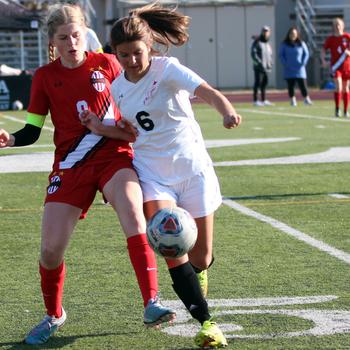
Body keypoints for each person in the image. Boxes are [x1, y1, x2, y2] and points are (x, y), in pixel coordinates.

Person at [0, 3, 175, 345]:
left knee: (133, 215)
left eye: (77, 34)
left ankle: (151, 302)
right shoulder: (44, 77)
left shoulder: (108, 64)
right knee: (50, 251)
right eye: (64, 37)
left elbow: (137, 92)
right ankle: (54, 315)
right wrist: (10, 139)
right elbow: (33, 129)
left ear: (86, 35)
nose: (72, 42)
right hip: (70, 166)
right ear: (53, 42)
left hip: (114, 157)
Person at [80, 3, 242, 348]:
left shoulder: (168, 69)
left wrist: (226, 110)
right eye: (123, 55)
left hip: (192, 167)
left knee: (201, 256)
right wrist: (99, 126)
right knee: (169, 242)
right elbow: (130, 132)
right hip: (153, 173)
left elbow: (207, 92)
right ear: (116, 54)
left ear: (149, 46)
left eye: (137, 53)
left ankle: (199, 275)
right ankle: (207, 323)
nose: (131, 61)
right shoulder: (117, 88)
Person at [321, 17, 350, 117]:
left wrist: (349, 53)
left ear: (343, 26)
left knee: (346, 88)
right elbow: (323, 50)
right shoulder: (331, 39)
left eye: (339, 24)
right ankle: (337, 109)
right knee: (338, 86)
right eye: (335, 25)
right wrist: (323, 60)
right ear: (333, 27)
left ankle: (346, 110)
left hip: (347, 67)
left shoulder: (347, 37)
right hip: (336, 67)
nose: (337, 27)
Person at [279, 27, 313, 107]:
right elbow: (281, 55)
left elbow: (306, 54)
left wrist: (303, 63)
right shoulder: (284, 44)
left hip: (300, 68)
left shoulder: (301, 43)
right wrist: (285, 63)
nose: (293, 35)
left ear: (297, 35)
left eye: (294, 34)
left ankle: (306, 99)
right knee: (291, 85)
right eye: (291, 34)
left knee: (303, 85)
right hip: (289, 69)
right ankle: (293, 100)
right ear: (288, 35)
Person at [251, 25, 274, 106]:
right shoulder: (257, 42)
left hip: (266, 67)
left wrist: (270, 63)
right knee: (257, 83)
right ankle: (255, 100)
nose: (265, 33)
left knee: (264, 84)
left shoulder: (268, 43)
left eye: (267, 31)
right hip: (259, 68)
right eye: (264, 31)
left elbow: (270, 54)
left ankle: (263, 100)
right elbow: (253, 54)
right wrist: (259, 63)